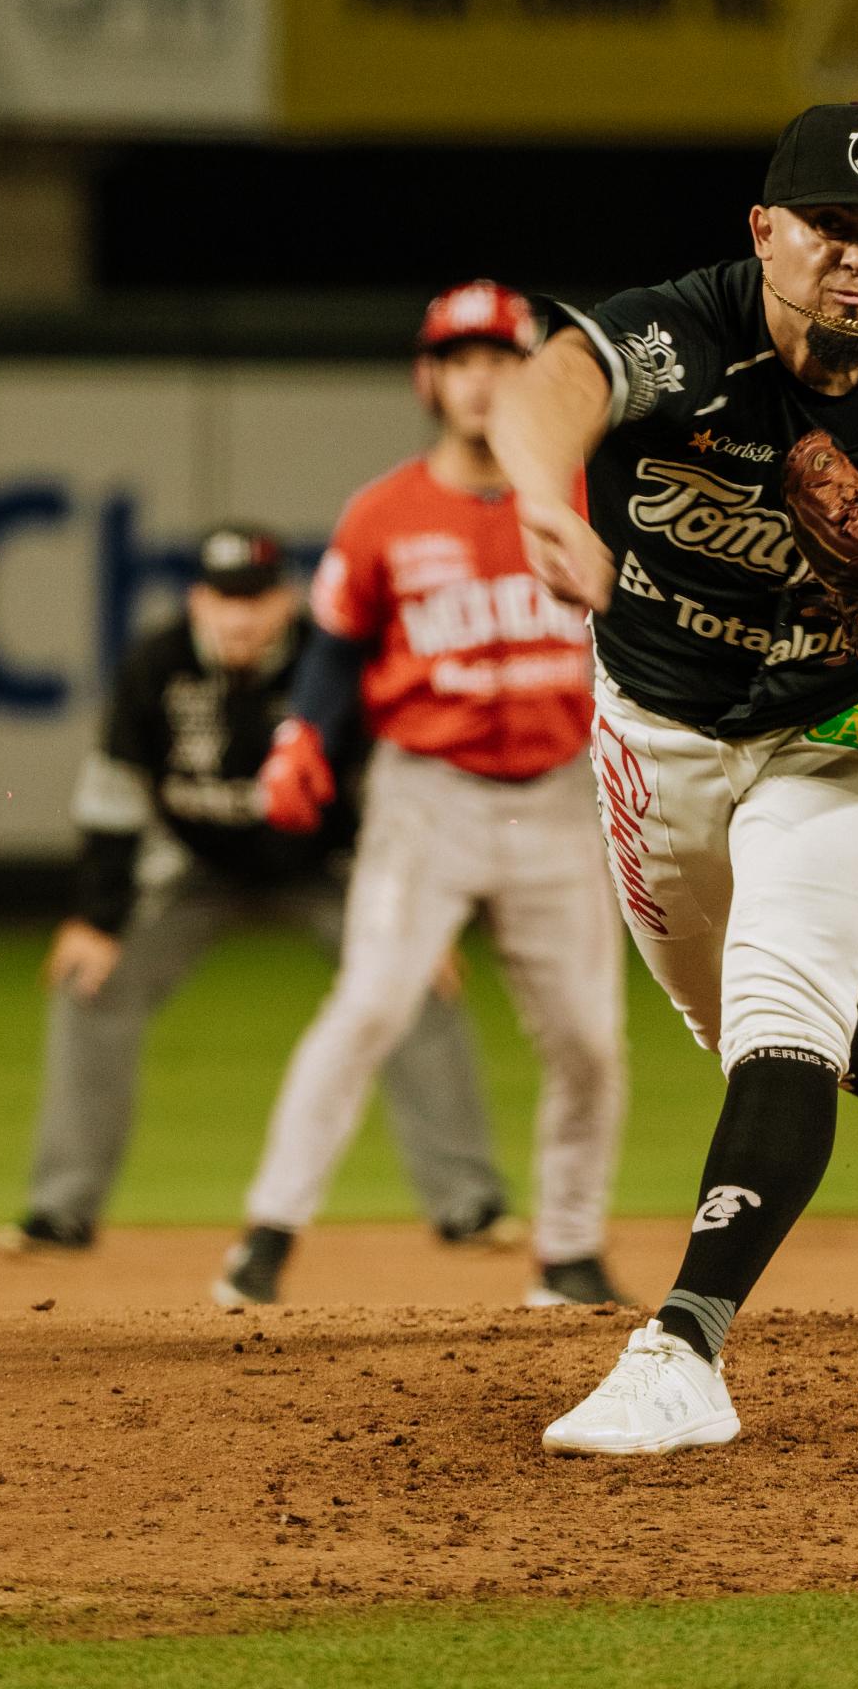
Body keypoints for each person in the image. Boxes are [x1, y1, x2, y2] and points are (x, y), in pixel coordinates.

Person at [487, 102, 858, 1456]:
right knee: (748, 1033)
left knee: (782, 1014)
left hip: (851, 730)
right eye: (830, 228)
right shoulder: (685, 332)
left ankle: (684, 1351)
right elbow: (552, 385)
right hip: (658, 731)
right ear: (765, 230)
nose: (856, 262)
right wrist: (539, 496)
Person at [215, 280, 626, 1310]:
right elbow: (335, 647)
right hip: (426, 796)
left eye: (503, 361)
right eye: (463, 360)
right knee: (369, 1006)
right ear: (429, 376)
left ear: (536, 381)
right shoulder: (384, 513)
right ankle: (264, 1235)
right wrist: (303, 736)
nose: (482, 380)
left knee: (587, 1038)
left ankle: (568, 1251)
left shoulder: (585, 498)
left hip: (556, 799)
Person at [0, 523, 519, 1259]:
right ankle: (61, 1210)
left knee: (419, 986)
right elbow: (111, 795)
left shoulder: (329, 662)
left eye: (254, 599)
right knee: (89, 983)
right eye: (222, 598)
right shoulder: (156, 664)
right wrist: (97, 917)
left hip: (323, 867)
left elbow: (390, 793)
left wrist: (413, 910)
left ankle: (468, 1205)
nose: (238, 616)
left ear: (285, 602)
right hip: (195, 867)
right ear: (196, 601)